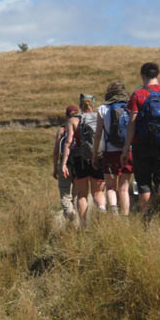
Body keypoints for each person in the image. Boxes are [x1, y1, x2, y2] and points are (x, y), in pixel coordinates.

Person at [120, 62, 160, 223]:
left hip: (142, 145)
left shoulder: (138, 94)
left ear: (142, 76)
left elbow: (131, 123)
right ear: (158, 75)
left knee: (144, 181)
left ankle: (147, 216)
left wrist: (126, 149)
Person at [61, 93, 106, 226]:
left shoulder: (73, 120)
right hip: (97, 158)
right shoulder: (100, 117)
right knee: (98, 192)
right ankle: (102, 210)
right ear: (93, 104)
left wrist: (64, 163)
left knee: (82, 194)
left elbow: (68, 142)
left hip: (80, 160)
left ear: (80, 105)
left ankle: (83, 223)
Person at [92, 80, 133, 216]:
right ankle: (125, 218)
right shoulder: (130, 107)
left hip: (109, 152)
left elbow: (98, 135)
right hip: (127, 151)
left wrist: (95, 155)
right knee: (124, 188)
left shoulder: (103, 109)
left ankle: (114, 211)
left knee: (110, 187)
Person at [53, 105, 78, 222]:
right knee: (77, 194)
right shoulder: (80, 126)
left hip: (65, 164)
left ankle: (70, 216)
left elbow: (56, 151)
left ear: (66, 115)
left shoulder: (62, 129)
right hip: (78, 164)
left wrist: (55, 168)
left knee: (65, 194)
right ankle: (78, 217)